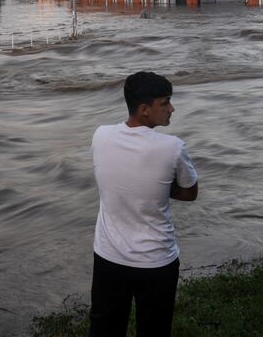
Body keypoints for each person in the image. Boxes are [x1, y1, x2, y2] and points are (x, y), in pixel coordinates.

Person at [89, 71, 198, 337]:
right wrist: (157, 187)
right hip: (156, 261)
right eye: (165, 103)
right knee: (154, 329)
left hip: (109, 257)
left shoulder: (100, 135)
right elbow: (189, 192)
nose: (172, 109)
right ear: (144, 109)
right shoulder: (172, 147)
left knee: (105, 328)